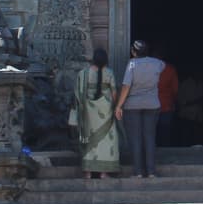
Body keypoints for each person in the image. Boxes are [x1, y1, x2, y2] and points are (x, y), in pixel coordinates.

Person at [115, 41, 166, 179]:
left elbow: (126, 86)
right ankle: (151, 171)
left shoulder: (132, 64)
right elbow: (162, 67)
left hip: (132, 105)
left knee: (135, 139)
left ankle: (137, 172)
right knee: (149, 137)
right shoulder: (157, 63)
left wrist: (119, 105)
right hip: (152, 104)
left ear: (133, 52)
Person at [70, 48, 120, 179]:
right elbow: (114, 92)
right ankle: (104, 173)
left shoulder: (83, 74)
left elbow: (77, 95)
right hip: (106, 110)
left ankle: (88, 172)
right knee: (107, 141)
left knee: (88, 140)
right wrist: (116, 107)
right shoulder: (109, 73)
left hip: (87, 111)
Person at [156, 60, 180, 147]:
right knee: (165, 134)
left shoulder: (145, 68)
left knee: (150, 135)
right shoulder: (170, 69)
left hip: (149, 106)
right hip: (166, 106)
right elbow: (175, 89)